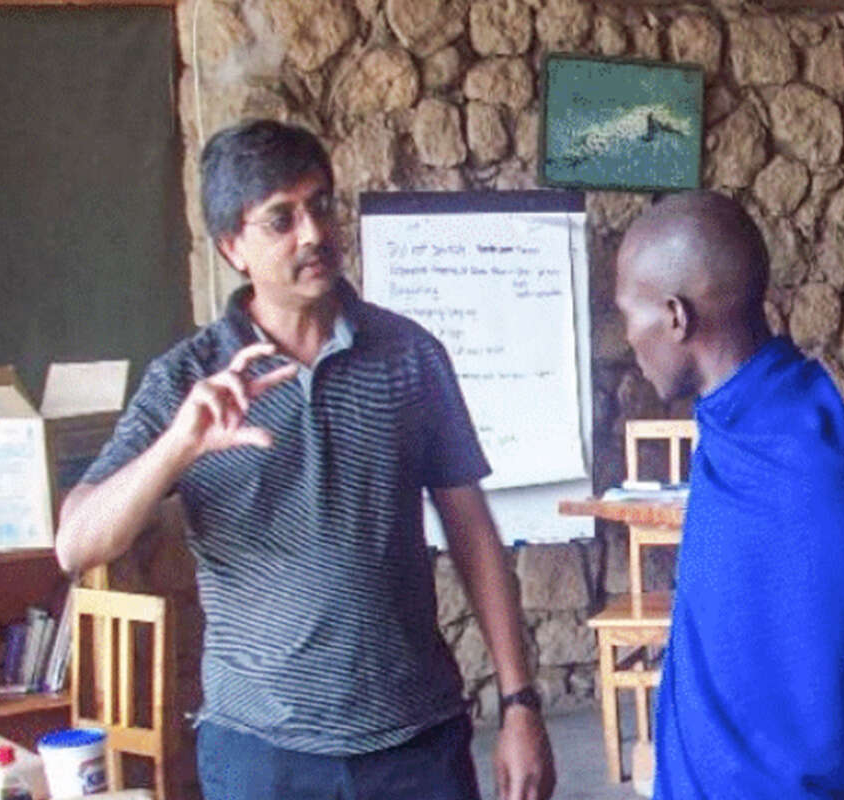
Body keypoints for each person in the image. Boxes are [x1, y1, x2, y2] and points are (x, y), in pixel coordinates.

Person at [55, 119, 555, 800]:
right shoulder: (187, 379)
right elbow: (76, 543)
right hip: (262, 754)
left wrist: (520, 703)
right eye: (280, 219)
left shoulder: (409, 356)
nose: (313, 233)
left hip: (415, 742)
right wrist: (178, 446)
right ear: (232, 246)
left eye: (320, 205)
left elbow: (472, 532)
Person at [613, 191, 844, 799]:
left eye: (628, 314)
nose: (628, 339)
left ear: (676, 317)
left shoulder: (806, 453)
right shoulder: (735, 421)